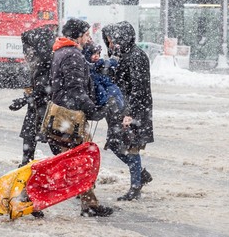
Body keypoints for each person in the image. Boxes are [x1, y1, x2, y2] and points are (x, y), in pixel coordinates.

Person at [50, 18, 113, 217]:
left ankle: (90, 204)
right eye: (86, 34)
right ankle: (26, 195)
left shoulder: (61, 51)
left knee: (76, 161)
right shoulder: (72, 55)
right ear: (77, 35)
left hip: (61, 115)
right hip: (70, 118)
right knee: (75, 162)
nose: (88, 38)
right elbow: (76, 90)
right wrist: (93, 109)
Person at [101, 21, 154, 201]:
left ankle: (135, 187)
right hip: (120, 109)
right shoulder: (120, 55)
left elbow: (138, 89)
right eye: (107, 41)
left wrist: (130, 114)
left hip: (134, 111)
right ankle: (139, 174)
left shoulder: (136, 56)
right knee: (115, 144)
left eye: (112, 41)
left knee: (131, 147)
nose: (110, 45)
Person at [9, 26, 61, 167]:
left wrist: (24, 100)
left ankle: (28, 166)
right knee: (30, 137)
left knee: (53, 141)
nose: (26, 53)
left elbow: (43, 90)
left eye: (29, 49)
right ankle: (26, 166)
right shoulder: (45, 58)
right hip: (38, 107)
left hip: (48, 108)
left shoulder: (46, 61)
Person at [82, 42, 124, 110]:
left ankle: (118, 104)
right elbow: (97, 86)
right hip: (99, 97)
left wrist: (112, 62)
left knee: (113, 88)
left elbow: (109, 63)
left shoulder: (99, 65)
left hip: (105, 90)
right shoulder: (88, 68)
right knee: (102, 88)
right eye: (93, 54)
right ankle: (112, 103)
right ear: (87, 55)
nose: (96, 56)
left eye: (98, 53)